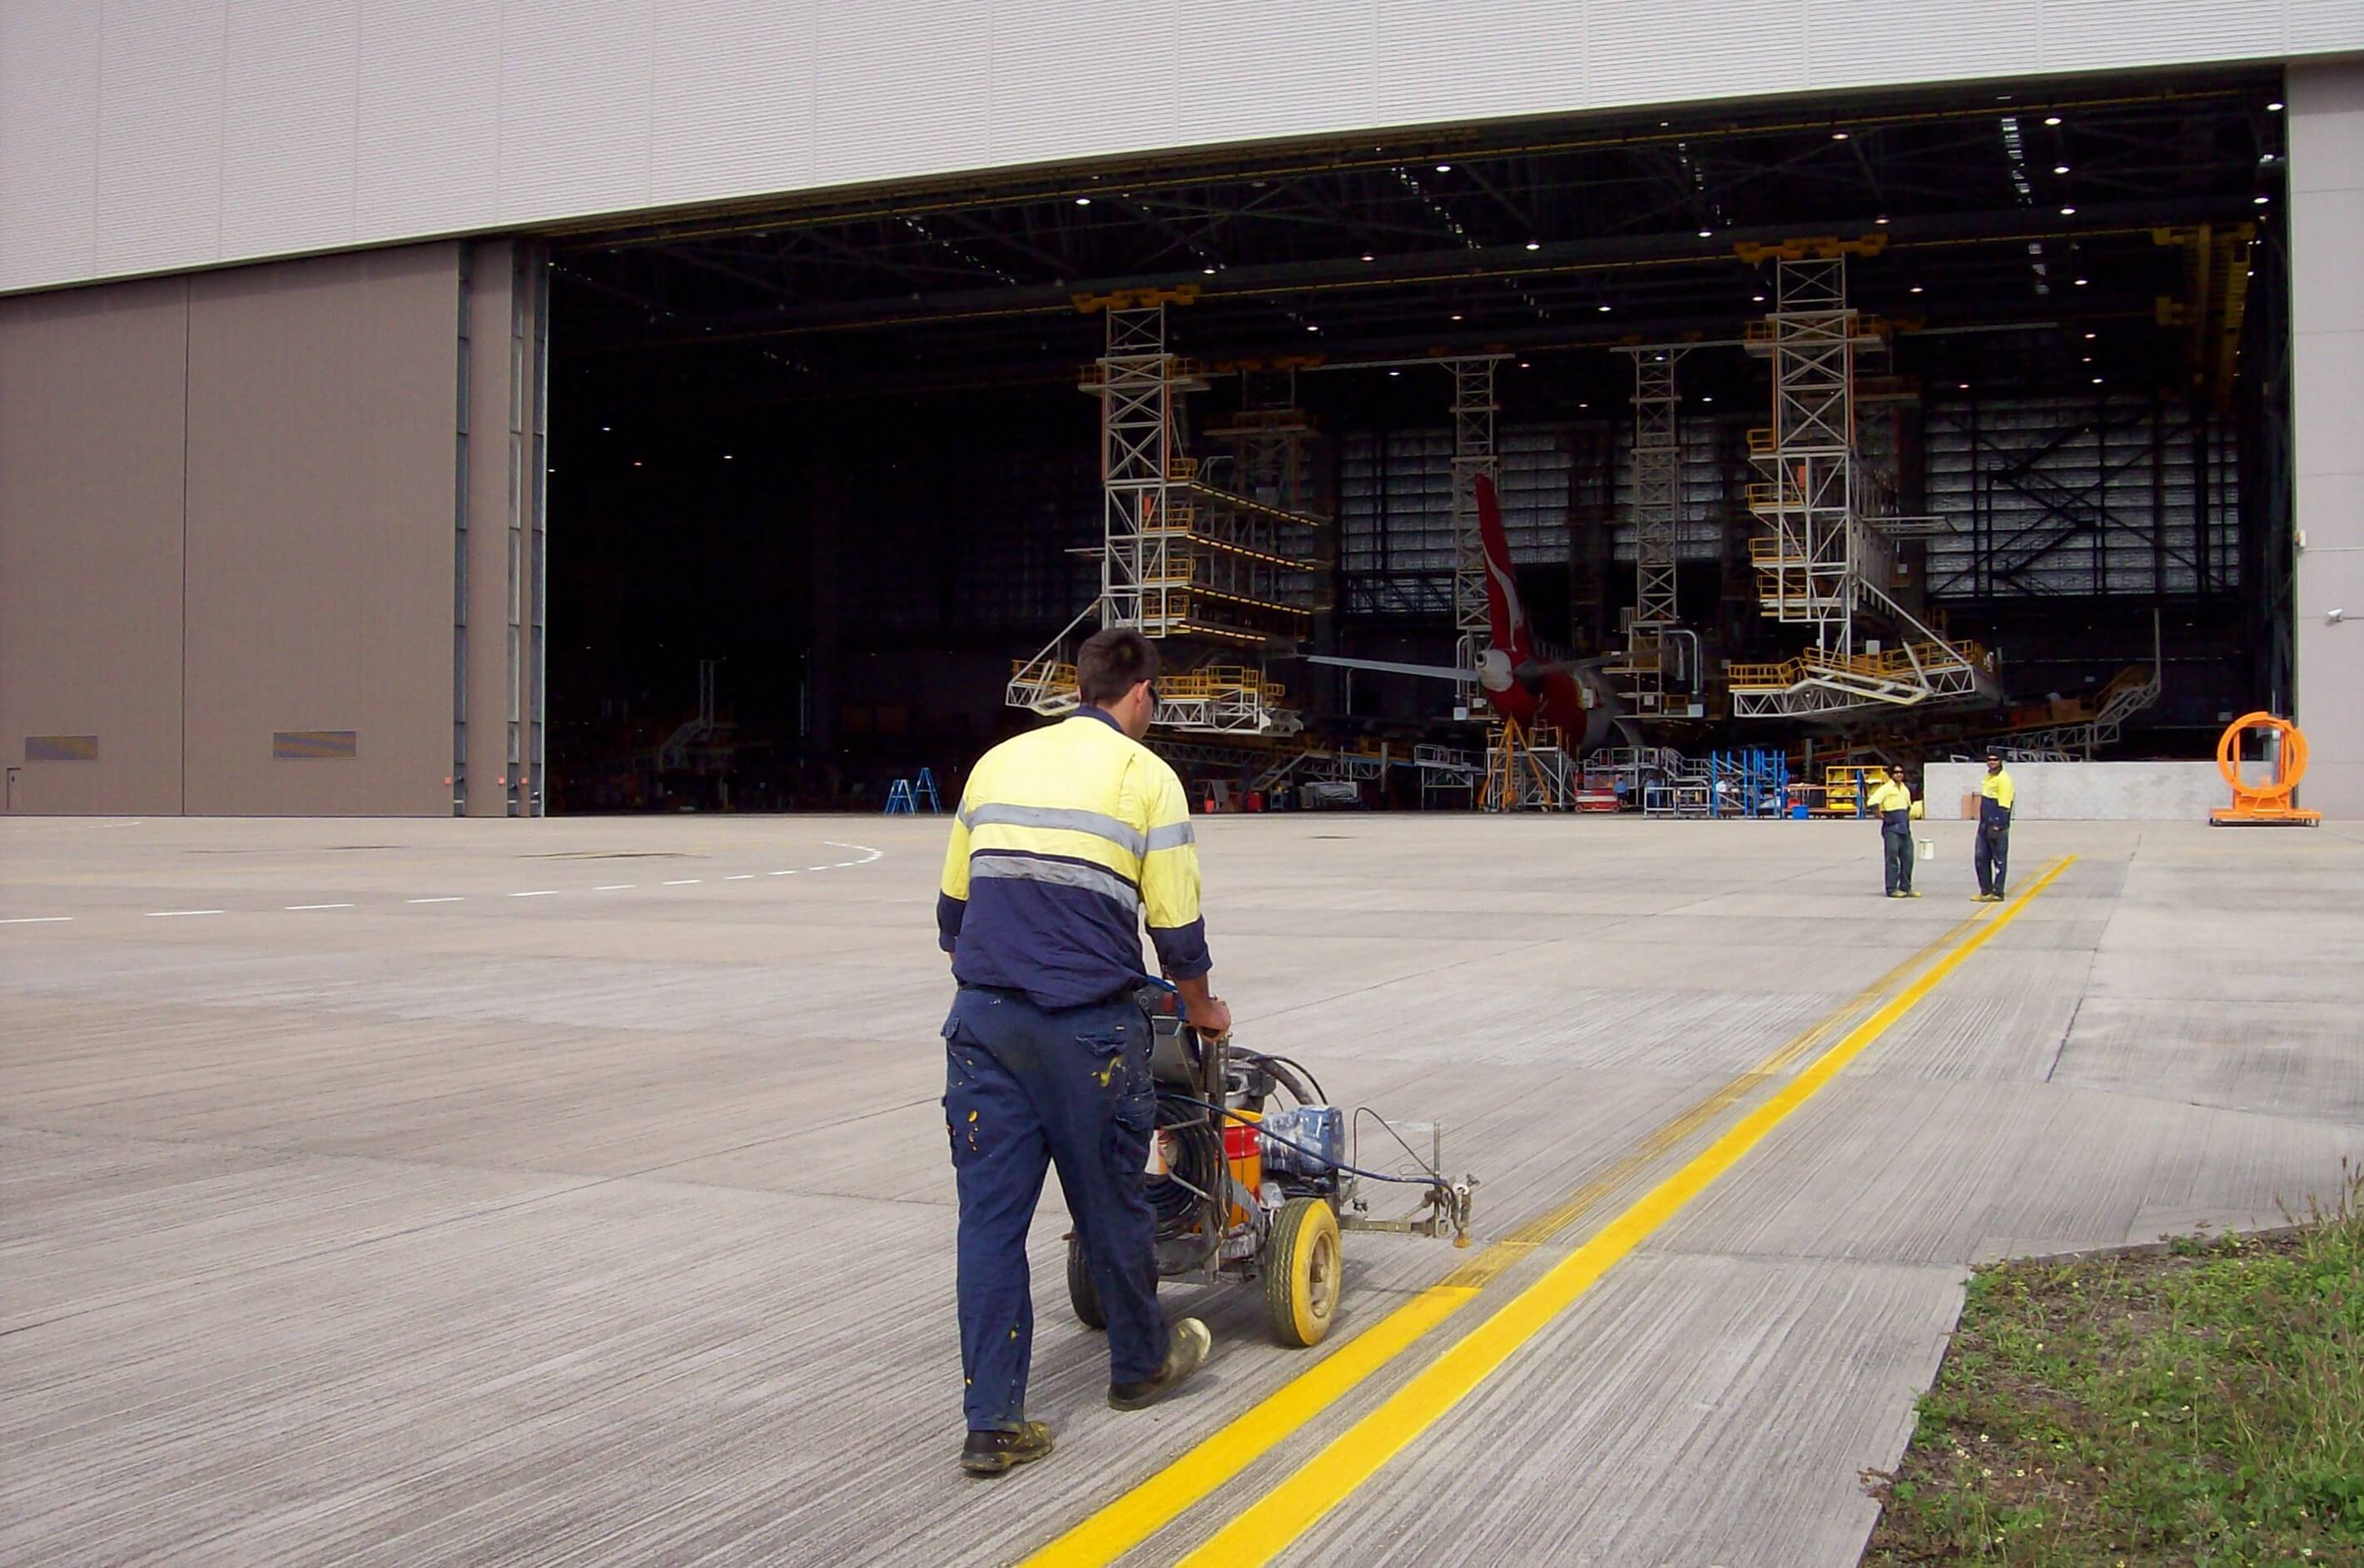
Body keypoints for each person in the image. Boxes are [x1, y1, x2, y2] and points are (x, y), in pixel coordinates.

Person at [936, 627, 1224, 1477]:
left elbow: (952, 922)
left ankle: (991, 1423)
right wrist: (1204, 1012)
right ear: (1139, 696)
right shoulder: (1147, 778)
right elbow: (1176, 931)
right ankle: (1137, 1369)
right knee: (1111, 1206)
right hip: (1085, 1030)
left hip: (983, 1023)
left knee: (988, 1228)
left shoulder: (997, 764)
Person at [1866, 765, 1920, 898]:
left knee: (1908, 858)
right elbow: (1872, 803)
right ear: (1891, 774)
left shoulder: (1904, 789)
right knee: (1892, 859)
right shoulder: (1886, 789)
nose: (1899, 775)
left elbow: (1908, 806)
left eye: (1901, 772)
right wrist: (1883, 817)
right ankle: (1891, 888)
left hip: (1904, 828)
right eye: (1896, 772)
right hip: (1892, 829)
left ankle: (1906, 887)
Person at [1974, 749, 2015, 902]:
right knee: (1981, 857)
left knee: (1999, 859)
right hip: (1984, 823)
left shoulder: (2004, 779)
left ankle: (1998, 892)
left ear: (2001, 761)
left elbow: (2005, 804)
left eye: (1995, 760)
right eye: (1990, 759)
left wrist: (1999, 824)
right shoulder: (1988, 777)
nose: (1992, 762)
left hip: (1997, 824)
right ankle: (1985, 891)